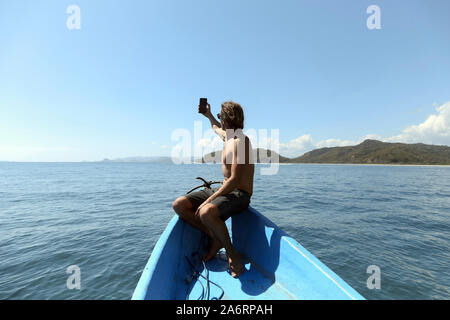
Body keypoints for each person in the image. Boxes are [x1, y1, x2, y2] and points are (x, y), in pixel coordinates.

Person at [172, 101, 255, 278]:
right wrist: (208, 115)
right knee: (179, 205)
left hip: (240, 194)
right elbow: (216, 128)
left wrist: (208, 200)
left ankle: (231, 253)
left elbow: (234, 180)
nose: (219, 120)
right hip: (226, 189)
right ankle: (213, 234)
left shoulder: (241, 141)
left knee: (206, 212)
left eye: (220, 116)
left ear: (227, 118)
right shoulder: (229, 137)